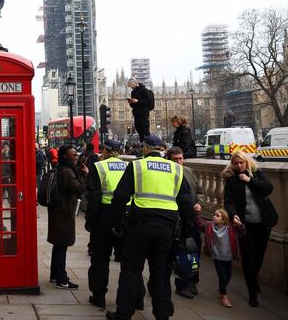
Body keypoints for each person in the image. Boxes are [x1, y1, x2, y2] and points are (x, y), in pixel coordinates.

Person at [106, 137, 195, 320]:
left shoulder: (137, 166)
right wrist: (188, 230)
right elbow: (186, 204)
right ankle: (162, 314)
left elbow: (120, 197)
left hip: (140, 226)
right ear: (162, 149)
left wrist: (115, 223)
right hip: (167, 228)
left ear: (145, 149)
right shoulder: (176, 169)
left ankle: (124, 314)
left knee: (131, 270)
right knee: (161, 273)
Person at [222, 151, 278, 308]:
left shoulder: (257, 173)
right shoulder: (231, 179)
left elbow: (268, 188)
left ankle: (253, 279)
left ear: (247, 162)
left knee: (259, 256)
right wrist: (233, 215)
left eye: (242, 163)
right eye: (236, 163)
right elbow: (228, 201)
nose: (239, 166)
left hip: (263, 223)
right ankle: (252, 293)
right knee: (248, 258)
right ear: (233, 164)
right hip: (245, 226)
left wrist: (249, 180)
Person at [86, 139, 128, 308]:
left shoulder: (99, 166)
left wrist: (91, 222)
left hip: (105, 214)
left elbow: (94, 197)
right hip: (125, 215)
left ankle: (99, 296)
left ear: (105, 150)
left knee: (100, 258)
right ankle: (131, 298)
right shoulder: (128, 166)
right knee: (128, 261)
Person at [167, 146, 205, 299]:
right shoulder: (167, 174)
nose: (179, 162)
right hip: (175, 220)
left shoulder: (189, 172)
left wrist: (199, 203)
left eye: (180, 158)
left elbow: (200, 191)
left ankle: (192, 280)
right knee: (178, 253)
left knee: (194, 250)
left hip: (192, 218)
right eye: (175, 159)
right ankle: (181, 284)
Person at [48, 145, 88, 289]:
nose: (76, 157)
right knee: (62, 246)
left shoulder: (61, 168)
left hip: (58, 211)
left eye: (76, 155)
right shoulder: (67, 172)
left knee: (58, 244)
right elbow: (79, 189)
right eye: (73, 155)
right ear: (65, 156)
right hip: (64, 212)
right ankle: (62, 279)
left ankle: (55, 275)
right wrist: (85, 175)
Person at [195, 208, 244, 308]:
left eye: (217, 215)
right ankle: (224, 297)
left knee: (228, 276)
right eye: (214, 215)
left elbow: (242, 232)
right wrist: (198, 213)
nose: (214, 216)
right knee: (222, 276)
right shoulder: (210, 226)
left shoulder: (231, 228)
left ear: (224, 219)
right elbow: (200, 223)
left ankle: (222, 288)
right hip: (217, 257)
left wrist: (240, 225)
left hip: (228, 257)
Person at [126, 77, 154, 142]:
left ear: (135, 83)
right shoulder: (133, 92)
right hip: (136, 114)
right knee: (139, 130)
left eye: (131, 85)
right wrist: (131, 102)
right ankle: (143, 144)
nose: (131, 87)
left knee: (145, 130)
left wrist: (138, 101)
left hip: (143, 114)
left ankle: (149, 144)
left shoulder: (144, 90)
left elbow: (148, 102)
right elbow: (133, 106)